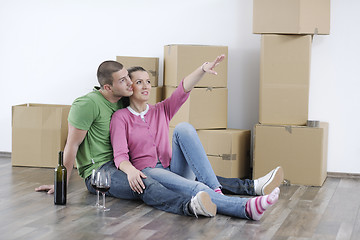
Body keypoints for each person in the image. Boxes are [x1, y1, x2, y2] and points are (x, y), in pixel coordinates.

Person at [110, 55, 284, 220]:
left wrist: (202, 69)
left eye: (148, 82)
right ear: (130, 87)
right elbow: (120, 156)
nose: (146, 86)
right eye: (139, 82)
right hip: (149, 172)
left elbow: (182, 89)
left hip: (173, 167)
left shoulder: (160, 110)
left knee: (183, 128)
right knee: (198, 188)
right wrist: (131, 171)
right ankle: (246, 208)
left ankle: (216, 190)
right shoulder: (121, 117)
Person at [35, 60, 217, 217]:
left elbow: (178, 92)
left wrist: (201, 69)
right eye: (124, 80)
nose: (130, 83)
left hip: (120, 164)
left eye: (129, 78)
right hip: (99, 171)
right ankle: (189, 206)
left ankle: (235, 187)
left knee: (187, 173)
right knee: (146, 182)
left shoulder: (123, 100)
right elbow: (72, 145)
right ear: (107, 87)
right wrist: (62, 183)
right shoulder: (87, 104)